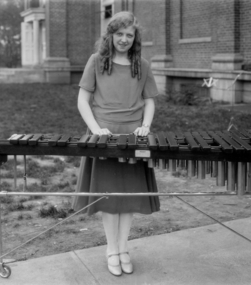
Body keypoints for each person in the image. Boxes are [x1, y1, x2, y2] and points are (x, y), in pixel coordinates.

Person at [72, 11, 160, 276]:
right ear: (110, 35)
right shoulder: (96, 61)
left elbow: (150, 100)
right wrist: (97, 130)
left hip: (133, 138)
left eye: (129, 35)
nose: (124, 39)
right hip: (104, 137)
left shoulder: (142, 65)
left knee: (129, 197)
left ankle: (124, 248)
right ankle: (111, 250)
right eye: (119, 34)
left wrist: (146, 125)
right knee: (109, 197)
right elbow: (82, 100)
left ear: (135, 38)